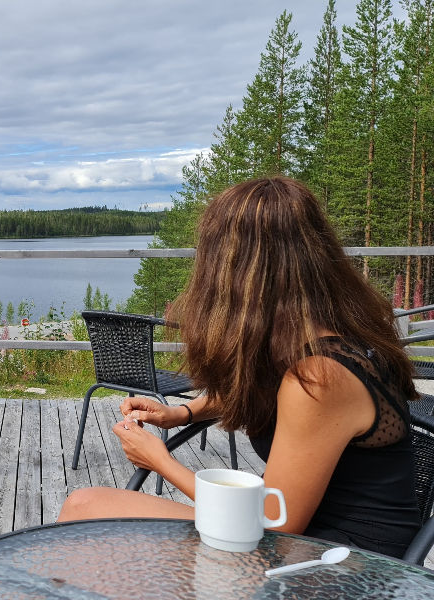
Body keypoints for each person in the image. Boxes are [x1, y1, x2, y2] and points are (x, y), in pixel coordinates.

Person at [57, 177, 422, 558]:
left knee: (88, 523)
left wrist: (160, 461)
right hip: (299, 542)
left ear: (236, 272)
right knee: (87, 513)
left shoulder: (319, 377)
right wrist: (181, 413)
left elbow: (273, 521)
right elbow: (265, 390)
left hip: (341, 565)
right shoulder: (322, 336)